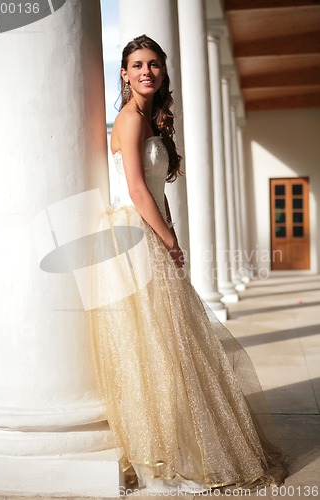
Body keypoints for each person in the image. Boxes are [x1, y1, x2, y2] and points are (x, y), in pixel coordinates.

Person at [89, 34, 288, 494]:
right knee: (152, 347)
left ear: (163, 73)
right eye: (137, 64)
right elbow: (137, 191)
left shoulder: (151, 121)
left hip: (151, 233)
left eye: (154, 64)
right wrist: (169, 238)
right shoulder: (128, 118)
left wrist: (170, 230)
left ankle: (185, 440)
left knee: (175, 344)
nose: (146, 71)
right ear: (123, 73)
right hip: (134, 239)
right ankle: (160, 450)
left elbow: (156, 189)